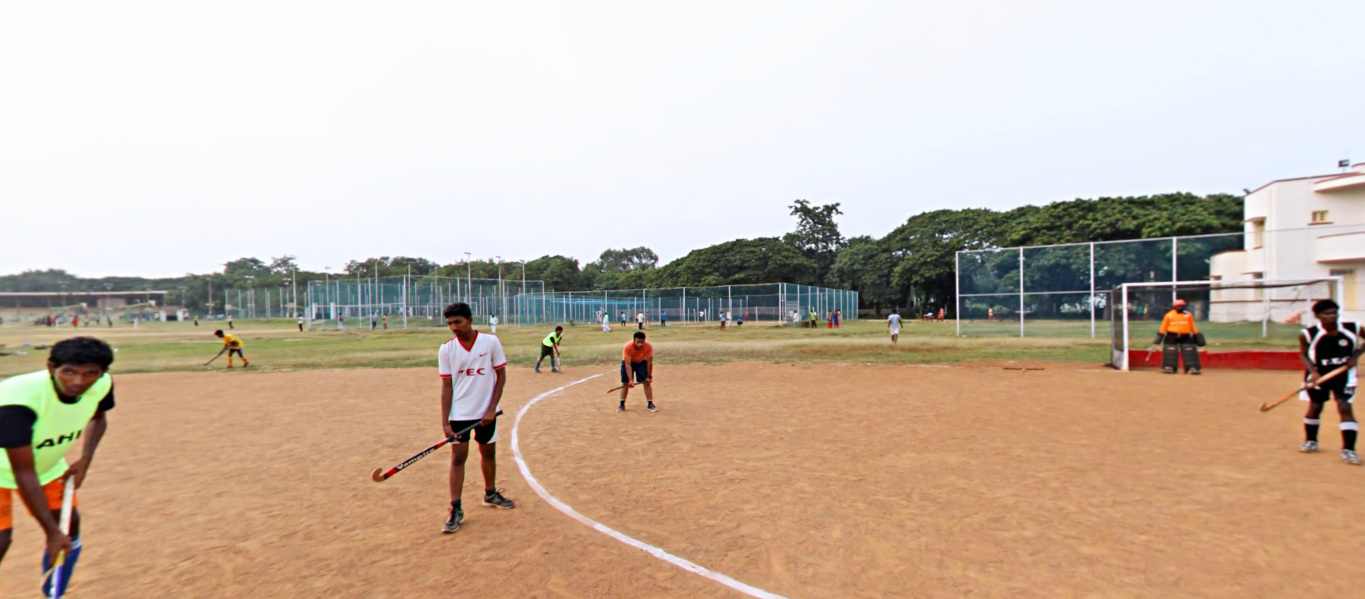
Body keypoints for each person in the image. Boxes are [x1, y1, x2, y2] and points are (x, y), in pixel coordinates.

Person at [0, 337, 116, 596]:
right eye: (69, 372)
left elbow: (98, 417)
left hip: (47, 466)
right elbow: (23, 472)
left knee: (69, 528)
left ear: (102, 373)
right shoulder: (17, 402)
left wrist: (85, 459)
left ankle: (54, 592)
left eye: (90, 373)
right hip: (11, 468)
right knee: (1, 540)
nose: (78, 382)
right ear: (51, 367)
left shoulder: (102, 384)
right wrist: (51, 532)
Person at [437, 302, 514, 533]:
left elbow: (501, 377)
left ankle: (490, 494)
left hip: (486, 414)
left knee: (488, 453)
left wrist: (491, 409)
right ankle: (455, 508)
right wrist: (445, 422)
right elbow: (446, 387)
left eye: (458, 322)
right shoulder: (447, 349)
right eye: (450, 323)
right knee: (458, 458)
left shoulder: (490, 342)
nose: (454, 327)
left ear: (470, 320)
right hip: (460, 414)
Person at [1297, 299, 1362, 464]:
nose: (1331, 316)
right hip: (1319, 375)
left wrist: (1355, 356)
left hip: (1344, 376)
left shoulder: (1353, 328)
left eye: (1334, 313)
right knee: (1315, 407)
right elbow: (1304, 354)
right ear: (1317, 316)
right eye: (1326, 314)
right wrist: (1313, 372)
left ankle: (1349, 450)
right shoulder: (1308, 334)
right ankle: (1311, 440)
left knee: (1345, 407)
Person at [1155, 298, 1203, 374]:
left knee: (1189, 350)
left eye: (1181, 306)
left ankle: (1192, 368)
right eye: (1178, 306)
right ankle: (1169, 367)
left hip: (1186, 336)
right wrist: (1159, 337)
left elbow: (1192, 326)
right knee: (1170, 350)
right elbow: (1163, 327)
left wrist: (1196, 334)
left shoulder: (1188, 314)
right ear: (1174, 307)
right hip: (1171, 335)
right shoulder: (1169, 315)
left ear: (1184, 306)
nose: (1179, 307)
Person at [618, 332, 656, 413]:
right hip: (629, 362)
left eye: (642, 342)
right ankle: (622, 404)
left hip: (641, 362)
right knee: (625, 383)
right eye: (638, 342)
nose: (640, 344)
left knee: (646, 382)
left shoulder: (648, 346)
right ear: (634, 340)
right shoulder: (627, 347)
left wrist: (649, 376)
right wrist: (630, 380)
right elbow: (628, 365)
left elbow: (649, 362)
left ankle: (650, 403)